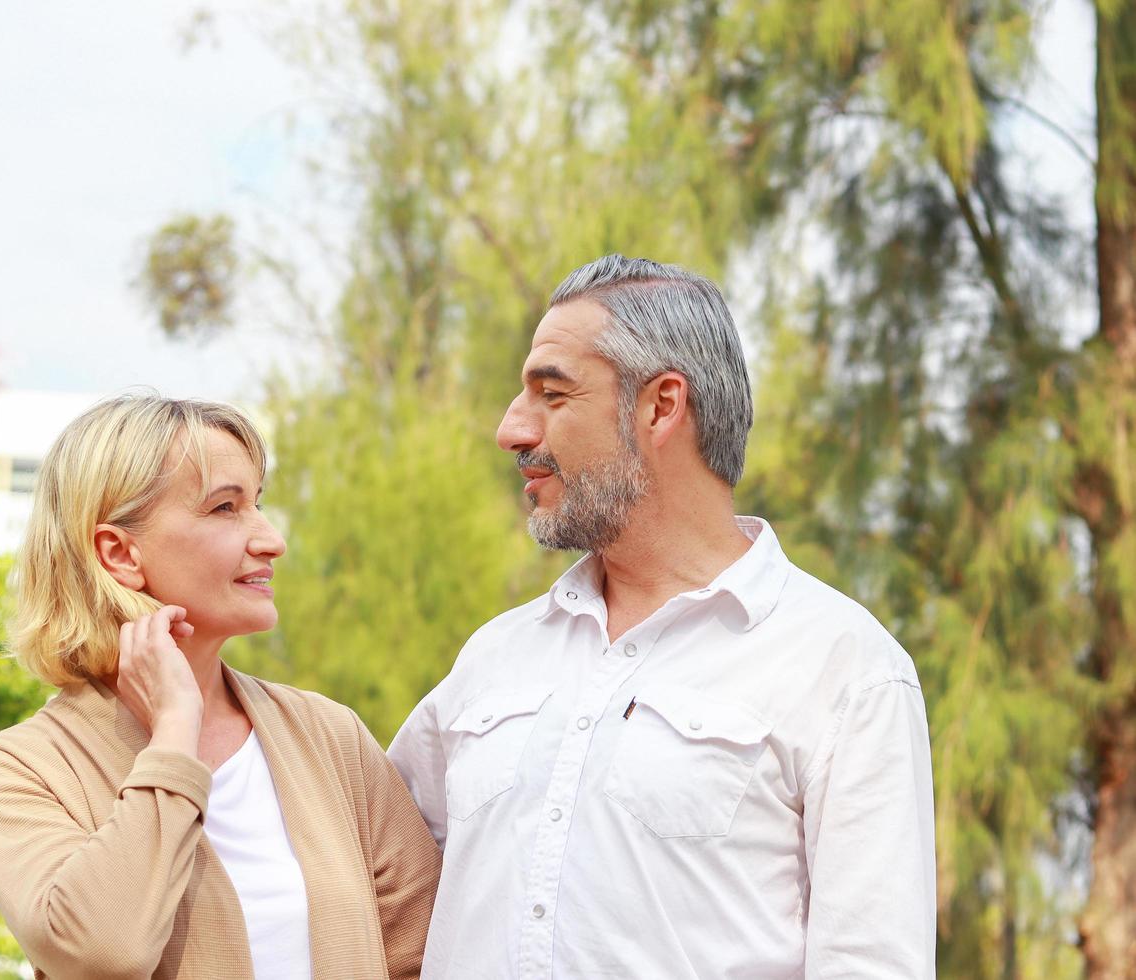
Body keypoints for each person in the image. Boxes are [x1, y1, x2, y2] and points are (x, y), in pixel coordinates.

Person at [389, 255, 936, 978]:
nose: (511, 431)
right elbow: (366, 875)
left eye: (552, 394)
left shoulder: (845, 669)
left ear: (660, 406)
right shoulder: (492, 659)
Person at [0, 395, 441, 980]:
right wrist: (173, 736)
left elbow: (430, 955)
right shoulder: (17, 772)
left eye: (257, 503)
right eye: (224, 508)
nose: (270, 540)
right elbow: (101, 953)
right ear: (119, 554)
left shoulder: (332, 738)